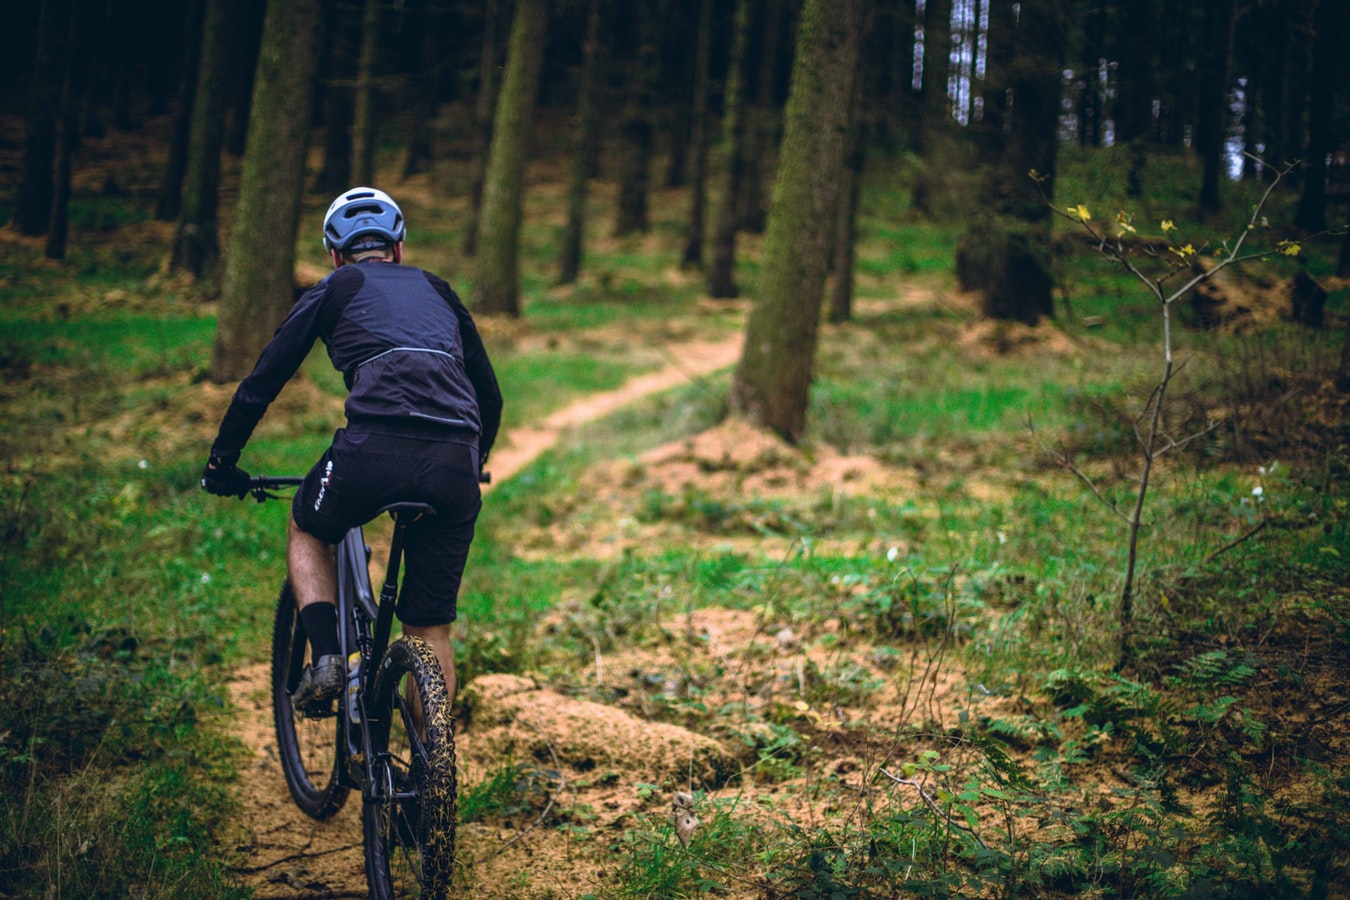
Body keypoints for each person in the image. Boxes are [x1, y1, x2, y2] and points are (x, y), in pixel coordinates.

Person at [201, 186, 502, 715]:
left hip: (370, 451)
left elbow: (264, 379)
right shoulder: (438, 289)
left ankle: (327, 659)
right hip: (455, 459)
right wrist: (473, 462)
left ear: (335, 255)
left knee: (308, 526)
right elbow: (490, 396)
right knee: (430, 628)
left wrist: (222, 461)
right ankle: (430, 761)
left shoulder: (336, 286)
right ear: (398, 249)